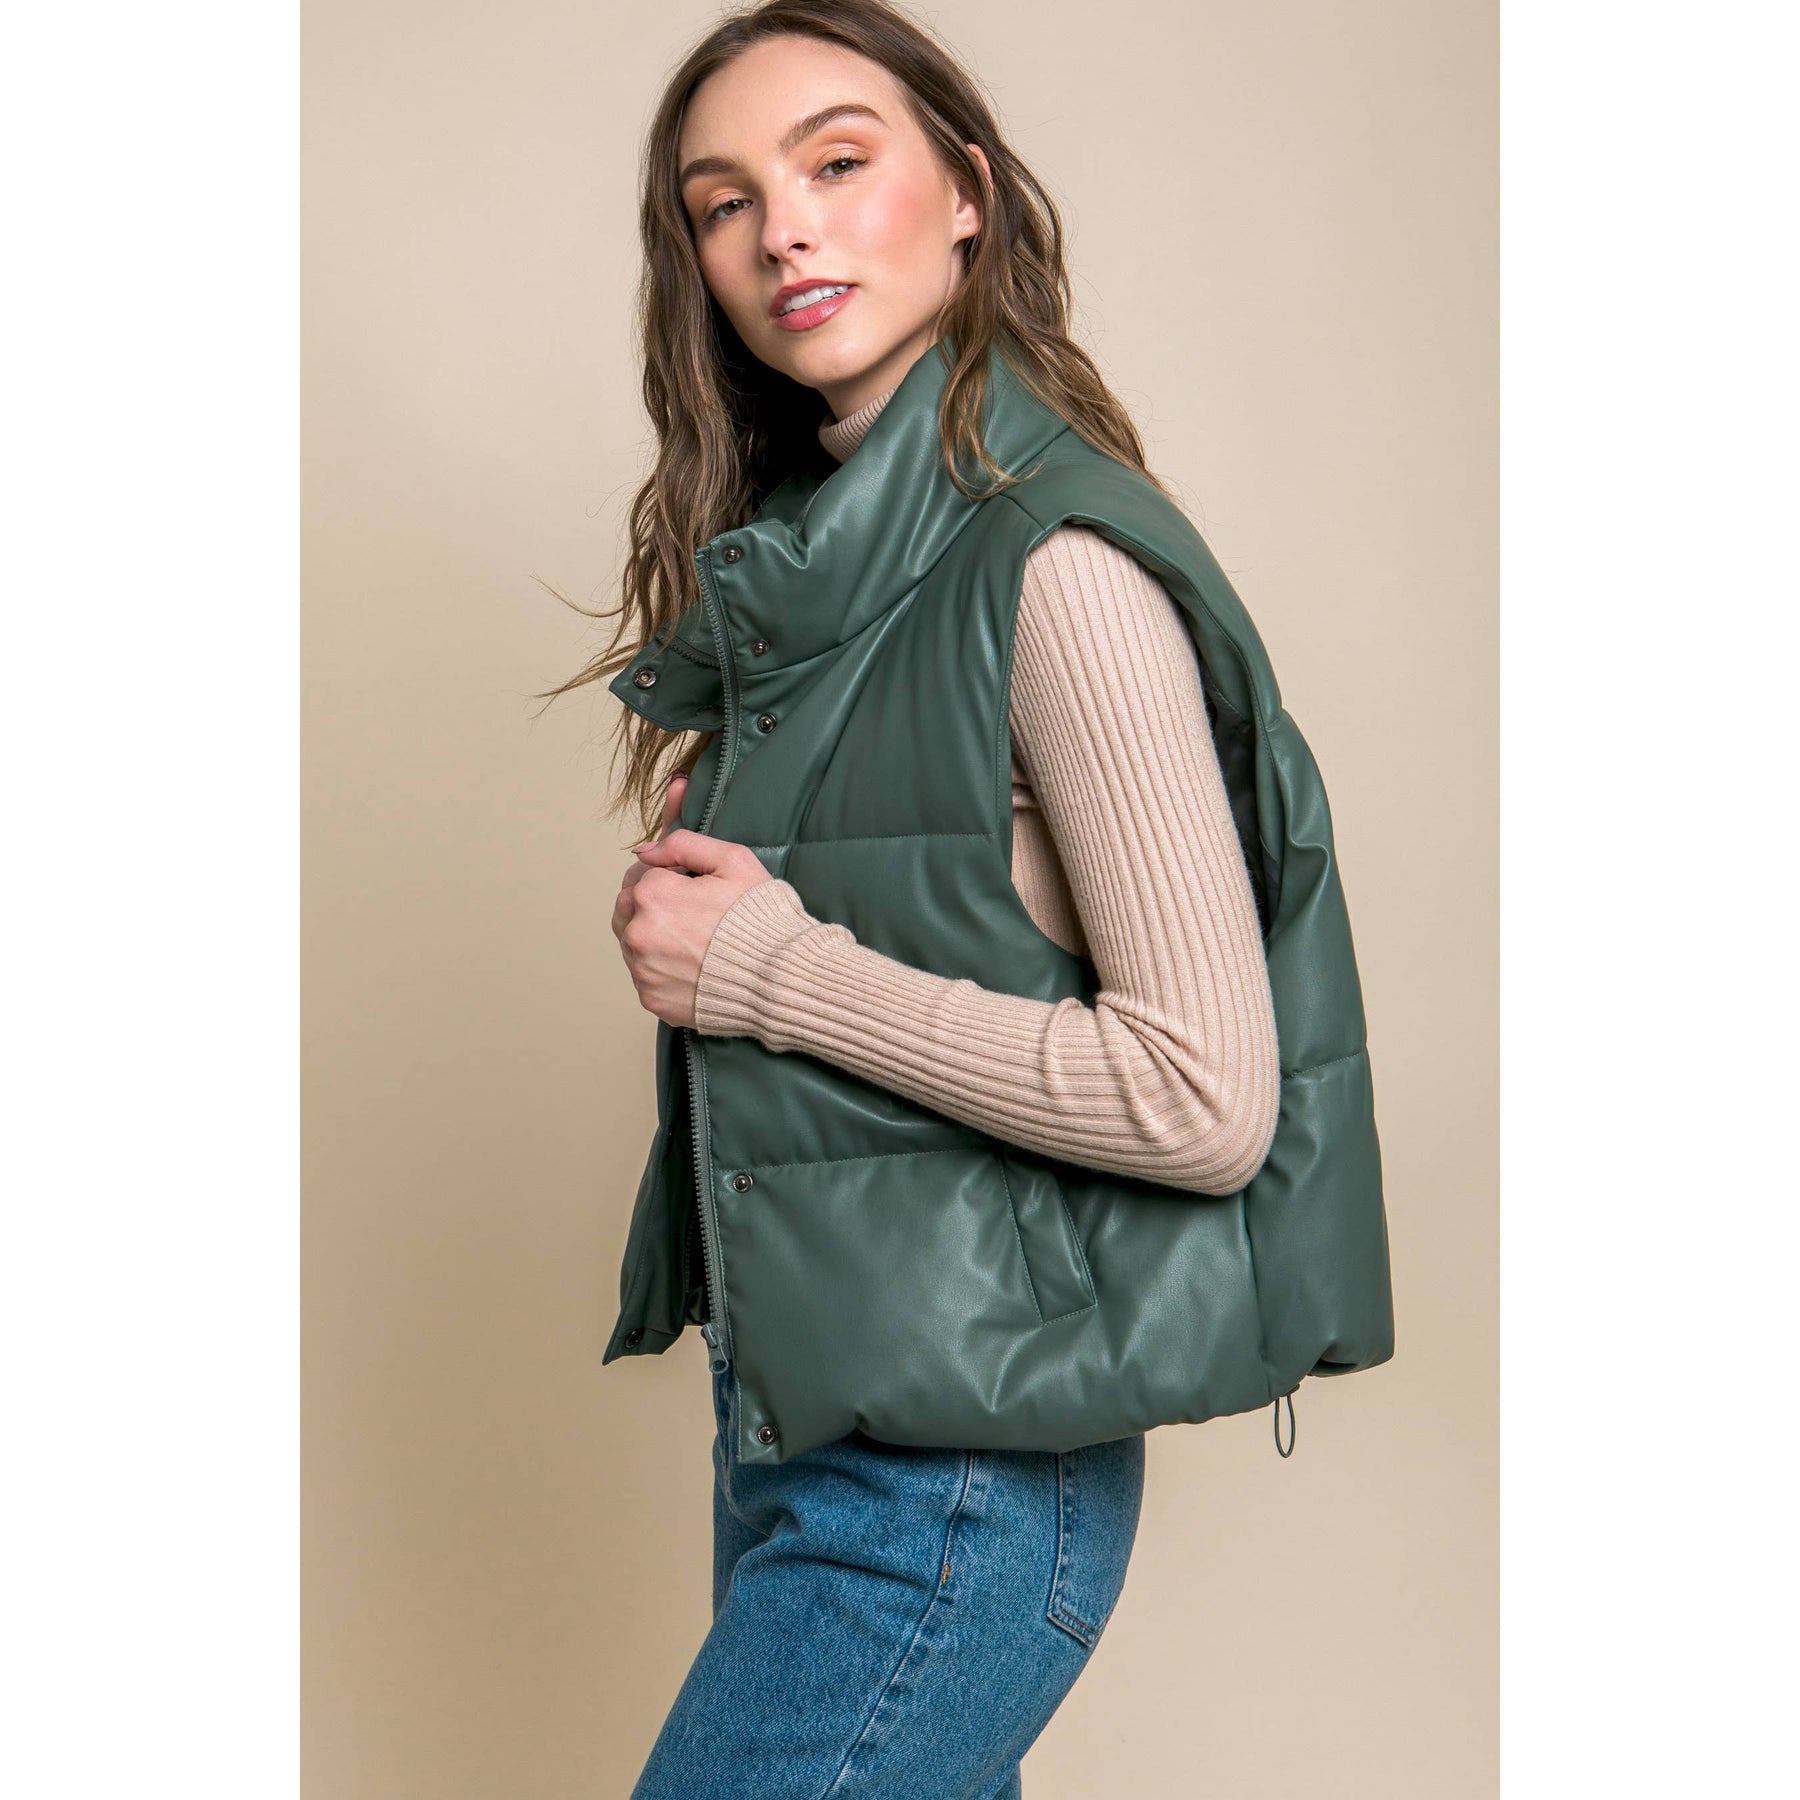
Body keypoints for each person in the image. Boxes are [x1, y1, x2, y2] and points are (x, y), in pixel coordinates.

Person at [549, 3, 1285, 1793]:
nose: (780, 230)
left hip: (953, 1475)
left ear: (966, 192)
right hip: (808, 1432)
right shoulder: (833, 583)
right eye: (724, 201)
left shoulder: (1055, 566)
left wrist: (770, 968)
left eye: (835, 161)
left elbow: (1206, 1099)